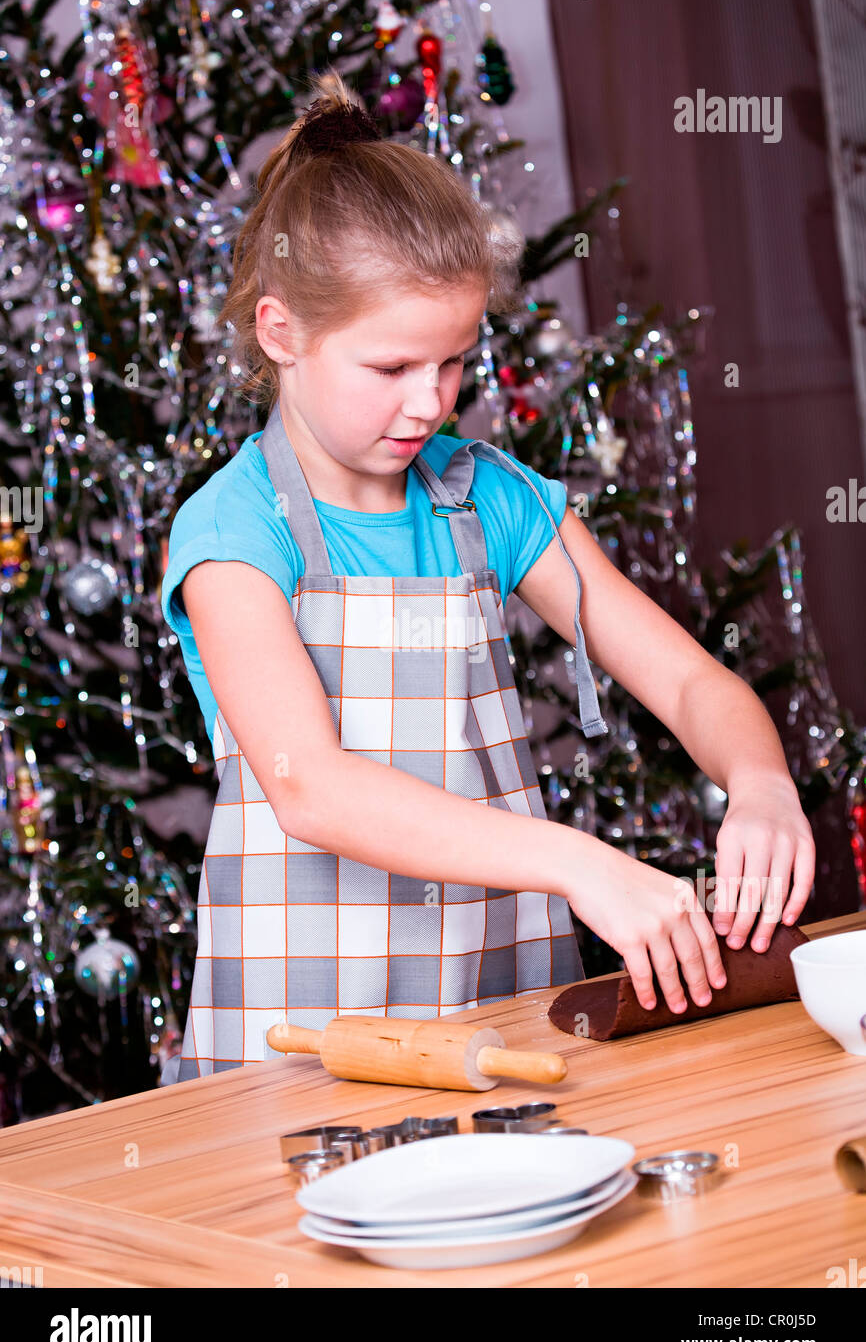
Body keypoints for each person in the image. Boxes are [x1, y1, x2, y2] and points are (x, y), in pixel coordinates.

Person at [160, 69, 815, 1081]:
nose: (429, 402)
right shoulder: (235, 530)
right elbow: (311, 790)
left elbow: (689, 681)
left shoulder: (491, 501)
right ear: (279, 330)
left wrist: (762, 784)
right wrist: (576, 862)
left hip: (503, 1019)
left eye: (454, 361)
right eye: (389, 368)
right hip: (303, 1048)